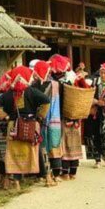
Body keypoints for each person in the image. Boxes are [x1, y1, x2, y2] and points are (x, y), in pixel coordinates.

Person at [0, 66, 50, 191]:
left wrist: (6, 117)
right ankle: (46, 178)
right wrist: (40, 116)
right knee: (35, 151)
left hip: (13, 127)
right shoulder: (32, 91)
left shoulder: (8, 94)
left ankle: (17, 183)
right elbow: (46, 100)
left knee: (14, 155)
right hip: (30, 126)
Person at [41, 54, 70, 185]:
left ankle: (52, 173)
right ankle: (60, 173)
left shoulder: (48, 83)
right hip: (59, 118)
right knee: (57, 145)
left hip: (48, 117)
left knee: (50, 146)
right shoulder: (65, 82)